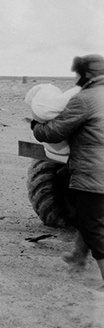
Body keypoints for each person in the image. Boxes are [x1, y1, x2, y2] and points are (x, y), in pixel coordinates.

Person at [31, 54, 104, 284]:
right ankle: (77, 257)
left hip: (93, 171)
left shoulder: (85, 99)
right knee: (89, 216)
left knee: (93, 226)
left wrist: (36, 127)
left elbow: (55, 132)